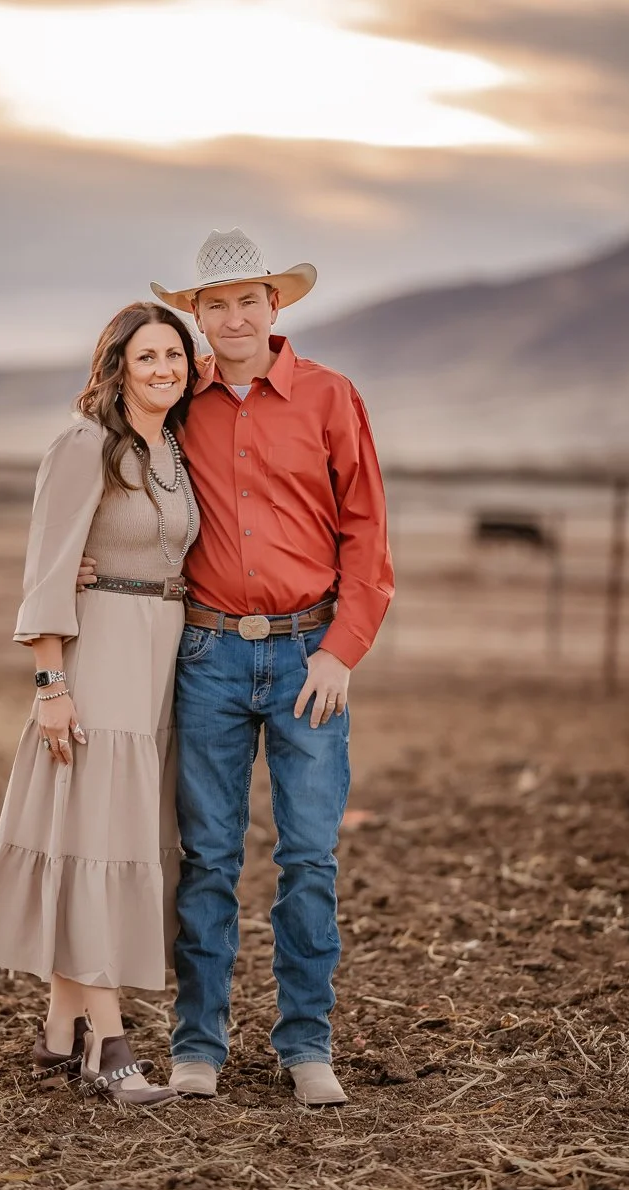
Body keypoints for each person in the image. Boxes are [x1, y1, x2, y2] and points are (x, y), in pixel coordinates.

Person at [78, 229, 394, 1106]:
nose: (231, 317)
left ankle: (306, 1047)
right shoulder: (179, 398)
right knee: (208, 859)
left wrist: (340, 651)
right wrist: (83, 556)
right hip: (208, 652)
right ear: (196, 316)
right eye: (213, 304)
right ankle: (198, 1046)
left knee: (309, 859)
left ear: (275, 305)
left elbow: (367, 533)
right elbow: (110, 466)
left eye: (247, 300)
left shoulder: (332, 399)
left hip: (308, 658)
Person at [0, 301, 201, 1107]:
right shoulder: (84, 444)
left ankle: (61, 1033)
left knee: (104, 839)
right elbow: (47, 568)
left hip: (157, 660)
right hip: (96, 659)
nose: (164, 368)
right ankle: (112, 1045)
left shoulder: (172, 447)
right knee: (96, 842)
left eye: (175, 355)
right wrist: (51, 685)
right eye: (147, 357)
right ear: (118, 367)